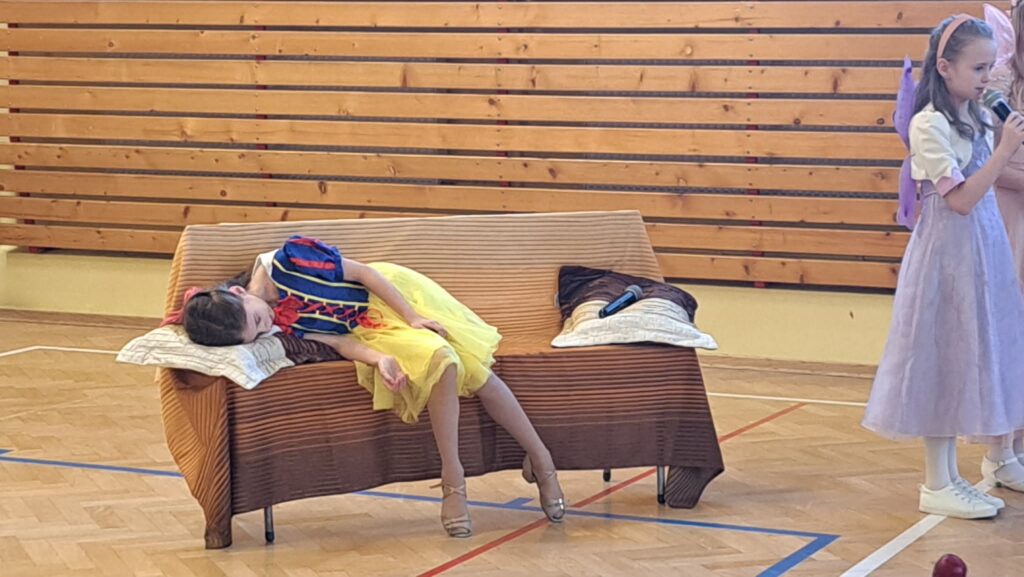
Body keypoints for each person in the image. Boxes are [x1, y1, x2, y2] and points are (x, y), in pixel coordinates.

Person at [175, 235, 566, 537]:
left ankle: (541, 460)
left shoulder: (289, 259)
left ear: (239, 293)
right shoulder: (275, 324)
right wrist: (379, 360)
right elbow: (338, 342)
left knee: (469, 367)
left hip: (392, 300)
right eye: (258, 333)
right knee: (444, 362)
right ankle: (456, 478)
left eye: (258, 320)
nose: (267, 327)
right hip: (368, 331)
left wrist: (412, 318)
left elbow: (365, 274)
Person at [863, 14, 1024, 519]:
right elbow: (961, 200)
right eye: (977, 68)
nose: (986, 78)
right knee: (942, 359)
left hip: (982, 252)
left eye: (990, 68)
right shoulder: (928, 124)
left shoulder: (973, 113)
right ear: (945, 66)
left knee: (982, 350)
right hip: (946, 256)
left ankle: (980, 467)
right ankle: (936, 482)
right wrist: (1005, 149)